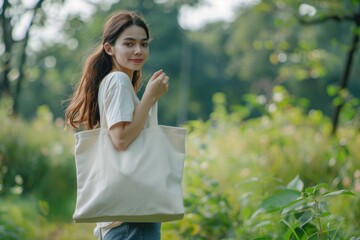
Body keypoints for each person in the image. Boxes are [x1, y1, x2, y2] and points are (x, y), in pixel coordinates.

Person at [65, 10, 169, 240]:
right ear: (109, 48)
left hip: (123, 218)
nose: (138, 51)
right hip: (133, 219)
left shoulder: (114, 82)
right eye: (129, 44)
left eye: (144, 44)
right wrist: (150, 97)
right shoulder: (118, 80)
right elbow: (121, 139)